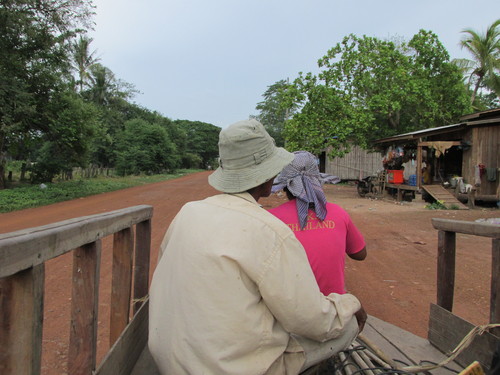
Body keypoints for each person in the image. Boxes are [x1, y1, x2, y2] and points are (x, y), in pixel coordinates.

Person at [148, 119, 366, 375]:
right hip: (230, 369)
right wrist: (352, 304)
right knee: (347, 323)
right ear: (268, 177)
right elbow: (313, 321)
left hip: (170, 360)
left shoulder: (187, 212)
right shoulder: (270, 230)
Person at [269, 151, 366, 296]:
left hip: (292, 307)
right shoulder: (338, 213)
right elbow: (360, 254)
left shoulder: (271, 218)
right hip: (333, 305)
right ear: (318, 182)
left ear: (285, 185)